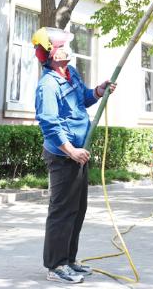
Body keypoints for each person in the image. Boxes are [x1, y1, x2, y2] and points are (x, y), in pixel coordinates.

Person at [33, 27, 115, 285]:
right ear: (51, 53)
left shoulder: (71, 74)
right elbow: (49, 123)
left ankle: (68, 259)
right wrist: (70, 150)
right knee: (62, 211)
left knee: (77, 209)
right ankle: (55, 265)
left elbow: (83, 99)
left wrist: (99, 91)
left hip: (80, 153)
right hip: (63, 156)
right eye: (61, 46)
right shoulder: (47, 85)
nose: (67, 49)